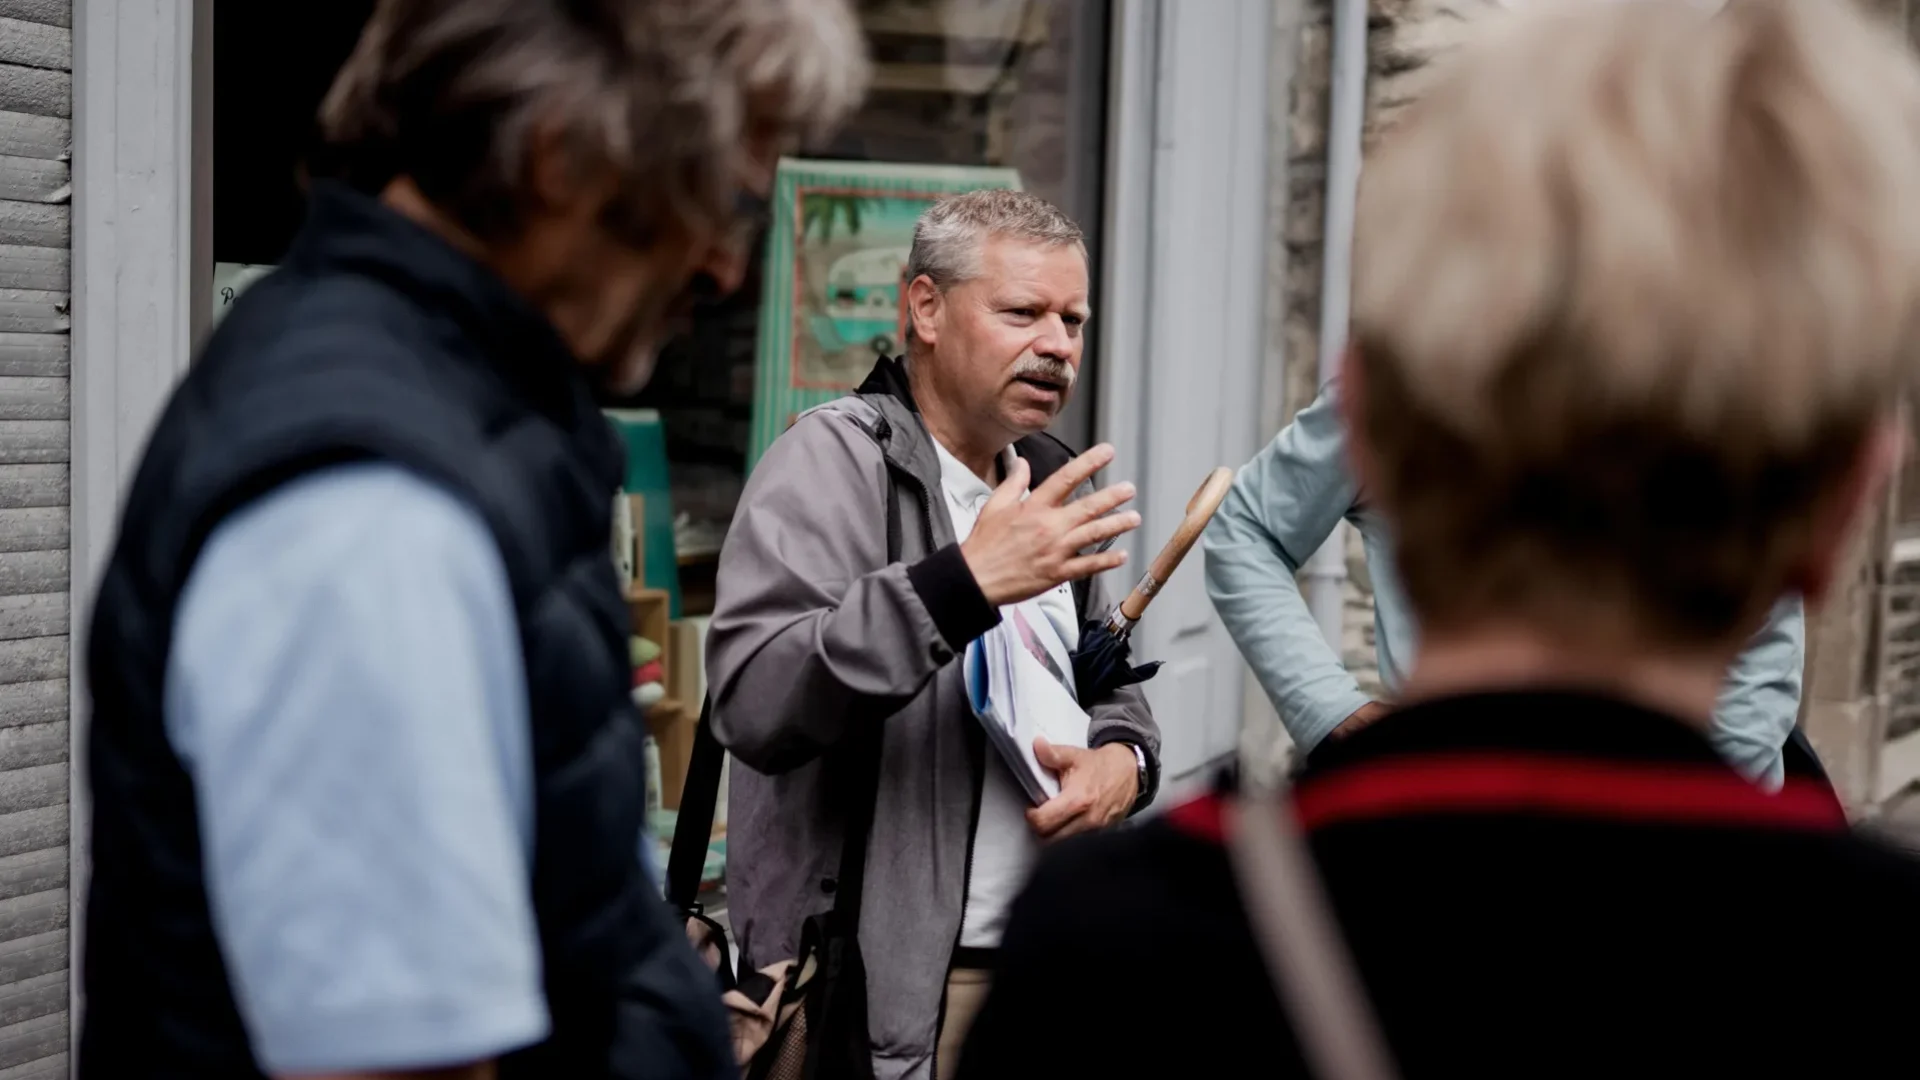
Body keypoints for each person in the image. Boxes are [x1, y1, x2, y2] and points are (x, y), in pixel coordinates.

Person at [959, 0, 1920, 1076]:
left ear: (1369, 424)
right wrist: (1332, 714)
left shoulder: (1113, 970)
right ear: (1840, 513)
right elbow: (1245, 537)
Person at [78, 2, 867, 1078]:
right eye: (723, 201)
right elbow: (397, 1056)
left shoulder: (455, 415)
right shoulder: (369, 503)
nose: (726, 269)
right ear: (557, 156)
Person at [707, 189, 1159, 1080]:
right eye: (1023, 312)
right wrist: (964, 585)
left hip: (1045, 972)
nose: (1059, 345)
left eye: (1073, 319)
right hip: (873, 1009)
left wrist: (1125, 764)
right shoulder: (834, 461)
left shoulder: (1048, 481)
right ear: (925, 308)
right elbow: (754, 697)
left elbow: (1106, 685)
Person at [1207, 381, 1808, 786]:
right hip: (1454, 813)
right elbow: (1247, 526)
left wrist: (1711, 801)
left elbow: (1767, 619)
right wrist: (1328, 708)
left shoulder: (1705, 370)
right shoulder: (1406, 374)